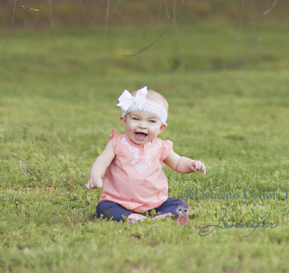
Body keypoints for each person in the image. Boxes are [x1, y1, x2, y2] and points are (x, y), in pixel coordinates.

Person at [86, 85, 206, 223]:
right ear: (124, 121)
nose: (143, 125)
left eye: (151, 121)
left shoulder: (160, 146)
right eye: (136, 119)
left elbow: (178, 162)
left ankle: (163, 215)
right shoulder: (117, 143)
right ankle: (130, 217)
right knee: (103, 208)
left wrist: (191, 164)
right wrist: (95, 176)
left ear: (161, 127)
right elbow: (102, 161)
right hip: (118, 201)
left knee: (180, 205)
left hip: (156, 202)